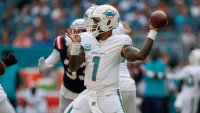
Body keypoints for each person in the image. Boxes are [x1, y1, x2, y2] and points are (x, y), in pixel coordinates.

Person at [67, 4, 162, 113]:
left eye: (96, 20)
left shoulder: (119, 42)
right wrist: (75, 46)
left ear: (107, 22)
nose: (92, 24)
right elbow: (73, 68)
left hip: (108, 95)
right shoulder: (85, 38)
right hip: (90, 93)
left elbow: (140, 55)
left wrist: (153, 32)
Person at [38, 19, 87, 113]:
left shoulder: (93, 45)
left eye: (83, 32)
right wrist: (44, 67)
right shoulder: (62, 42)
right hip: (68, 90)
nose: (79, 35)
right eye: (77, 32)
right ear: (70, 32)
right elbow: (51, 61)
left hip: (87, 91)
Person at [167, 48, 200, 113]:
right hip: (194, 94)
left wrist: (166, 75)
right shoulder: (198, 69)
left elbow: (176, 77)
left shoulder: (187, 68)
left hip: (185, 93)